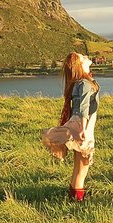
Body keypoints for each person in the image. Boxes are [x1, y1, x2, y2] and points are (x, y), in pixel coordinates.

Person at [41, 52, 99, 201]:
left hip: (77, 125)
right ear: (79, 65)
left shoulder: (79, 82)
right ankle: (77, 202)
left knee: (77, 169)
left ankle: (73, 198)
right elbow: (84, 108)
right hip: (82, 127)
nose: (86, 57)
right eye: (83, 57)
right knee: (82, 170)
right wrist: (84, 131)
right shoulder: (85, 84)